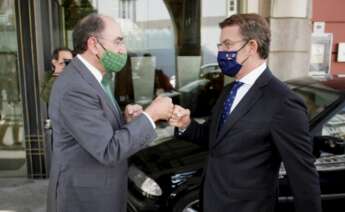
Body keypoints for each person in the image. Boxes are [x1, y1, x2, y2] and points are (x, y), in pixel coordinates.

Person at [169, 14, 321, 212]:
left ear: (252, 46)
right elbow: (215, 140)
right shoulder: (229, 91)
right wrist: (186, 125)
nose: (221, 52)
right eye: (220, 45)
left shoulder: (283, 102)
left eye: (227, 44)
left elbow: (303, 175)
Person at [46, 14, 174, 212]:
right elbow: (108, 150)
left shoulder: (92, 78)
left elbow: (95, 132)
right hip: (85, 201)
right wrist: (151, 115)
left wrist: (126, 121)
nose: (123, 49)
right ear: (94, 44)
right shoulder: (75, 86)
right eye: (118, 41)